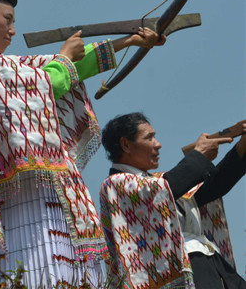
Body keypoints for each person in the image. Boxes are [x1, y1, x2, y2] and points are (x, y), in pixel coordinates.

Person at [0, 0, 164, 288]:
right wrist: (63, 58)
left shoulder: (6, 65)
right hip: (22, 193)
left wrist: (128, 41)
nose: (12, 30)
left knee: (57, 268)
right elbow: (45, 84)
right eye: (7, 20)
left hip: (39, 187)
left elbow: (60, 70)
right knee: (38, 270)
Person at [100, 113, 246, 289]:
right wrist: (199, 156)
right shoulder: (116, 185)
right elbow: (171, 185)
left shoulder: (157, 183)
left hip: (209, 264)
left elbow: (211, 188)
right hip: (184, 273)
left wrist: (242, 147)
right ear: (126, 144)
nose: (158, 144)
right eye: (149, 137)